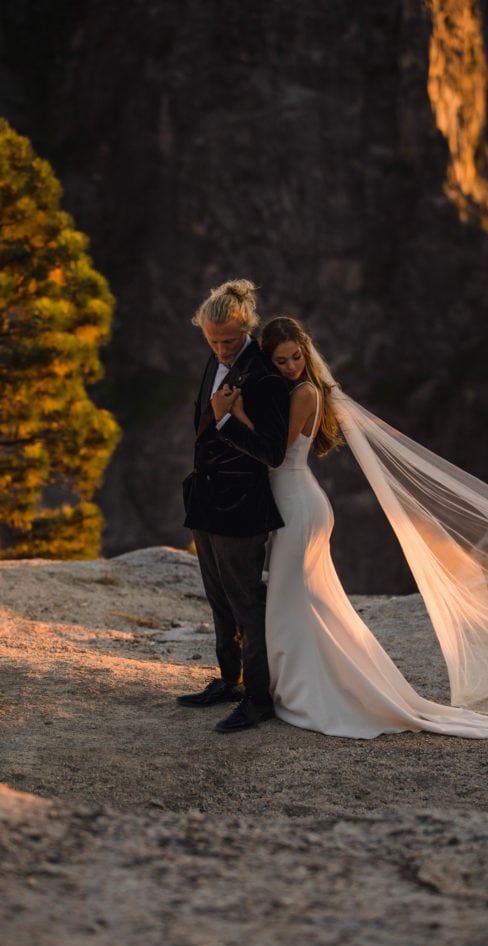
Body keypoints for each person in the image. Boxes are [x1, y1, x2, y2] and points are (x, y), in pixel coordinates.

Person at [221, 315, 488, 739]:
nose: (290, 366)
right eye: (281, 360)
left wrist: (232, 415)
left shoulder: (304, 392)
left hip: (298, 506)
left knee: (293, 599)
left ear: (305, 353)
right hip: (297, 502)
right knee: (306, 600)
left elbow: (273, 452)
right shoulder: (293, 390)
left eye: (295, 357)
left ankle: (308, 690)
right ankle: (301, 683)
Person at [178, 280, 290, 732]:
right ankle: (230, 681)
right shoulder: (215, 357)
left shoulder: (264, 376)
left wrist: (226, 419)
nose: (221, 349)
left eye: (228, 340)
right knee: (218, 600)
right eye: (212, 340)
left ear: (246, 329)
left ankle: (258, 698)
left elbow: (272, 452)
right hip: (206, 501)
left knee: (246, 602)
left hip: (242, 508)